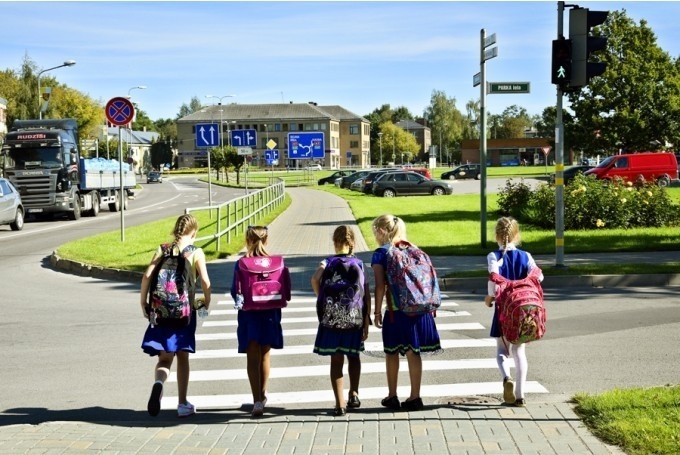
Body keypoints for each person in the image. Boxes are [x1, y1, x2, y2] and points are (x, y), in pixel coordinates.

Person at [140, 213, 212, 418]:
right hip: (185, 312)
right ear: (194, 232)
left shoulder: (162, 249)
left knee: (164, 359)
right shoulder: (196, 252)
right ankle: (182, 403)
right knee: (182, 357)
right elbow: (206, 282)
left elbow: (146, 276)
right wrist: (206, 302)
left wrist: (143, 303)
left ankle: (158, 384)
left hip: (161, 311)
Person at [371, 214, 441, 412]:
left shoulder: (381, 253)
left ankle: (392, 395)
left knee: (391, 352)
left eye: (375, 230)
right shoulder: (414, 249)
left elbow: (379, 286)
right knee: (413, 351)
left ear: (382, 231)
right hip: (419, 308)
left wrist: (377, 312)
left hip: (396, 310)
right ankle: (415, 396)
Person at [311, 225, 371, 417]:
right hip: (354, 318)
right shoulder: (359, 263)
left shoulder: (327, 261)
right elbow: (366, 294)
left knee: (336, 361)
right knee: (354, 356)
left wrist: (321, 296)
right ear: (352, 242)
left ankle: (339, 404)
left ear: (335, 242)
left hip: (332, 318)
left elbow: (315, 278)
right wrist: (366, 319)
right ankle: (354, 393)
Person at [484, 216, 543, 407]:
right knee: (519, 351)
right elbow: (539, 276)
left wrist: (489, 298)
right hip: (524, 312)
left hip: (503, 310)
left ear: (497, 236)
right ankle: (520, 394)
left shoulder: (494, 256)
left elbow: (494, 278)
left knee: (502, 351)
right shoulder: (526, 256)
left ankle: (506, 377)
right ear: (517, 235)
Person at [230, 225, 284, 417]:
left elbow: (234, 291)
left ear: (247, 240)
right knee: (264, 356)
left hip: (249, 314)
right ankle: (263, 394)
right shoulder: (276, 262)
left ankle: (257, 401)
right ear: (266, 240)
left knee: (252, 356)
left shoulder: (242, 263)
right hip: (270, 312)